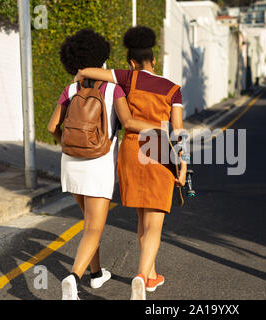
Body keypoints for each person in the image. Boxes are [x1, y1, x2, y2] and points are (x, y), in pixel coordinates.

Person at [47, 29, 161, 300]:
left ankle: (96, 274)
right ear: (101, 57)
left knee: (89, 223)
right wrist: (160, 129)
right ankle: (73, 279)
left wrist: (68, 143)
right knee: (94, 228)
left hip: (71, 164)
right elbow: (130, 123)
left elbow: (52, 126)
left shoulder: (71, 89)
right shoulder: (113, 88)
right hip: (97, 165)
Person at [75, 26, 187, 300]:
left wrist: (80, 75)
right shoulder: (173, 89)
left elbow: (90, 72)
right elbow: (178, 131)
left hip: (131, 150)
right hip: (159, 149)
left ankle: (150, 275)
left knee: (141, 216)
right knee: (155, 223)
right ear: (153, 60)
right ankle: (140, 275)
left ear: (133, 62)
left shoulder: (128, 78)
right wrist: (182, 164)